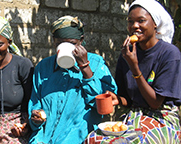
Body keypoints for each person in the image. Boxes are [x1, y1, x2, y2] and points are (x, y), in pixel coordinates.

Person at [85, 0, 181, 143]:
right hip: (134, 116)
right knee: (93, 139)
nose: (135, 26)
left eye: (141, 21)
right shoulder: (127, 55)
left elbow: (155, 103)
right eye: (130, 21)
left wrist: (135, 67)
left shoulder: (169, 54)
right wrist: (118, 99)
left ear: (155, 23)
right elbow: (129, 100)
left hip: (162, 118)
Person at [28, 15, 117, 144]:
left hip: (79, 140)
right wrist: (36, 118)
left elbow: (103, 106)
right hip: (42, 140)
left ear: (81, 40)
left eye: (72, 44)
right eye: (60, 44)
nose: (66, 48)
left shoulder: (96, 64)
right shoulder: (43, 68)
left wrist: (85, 68)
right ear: (53, 41)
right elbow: (35, 103)